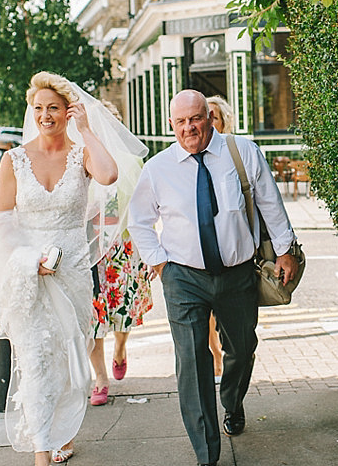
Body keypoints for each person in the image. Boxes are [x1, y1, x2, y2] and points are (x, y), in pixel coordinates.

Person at [128, 89, 299, 466]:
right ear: (171, 125)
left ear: (210, 116)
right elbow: (138, 221)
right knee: (192, 361)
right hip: (184, 278)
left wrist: (285, 250)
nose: (190, 128)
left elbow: (271, 201)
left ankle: (232, 401)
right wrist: (160, 265)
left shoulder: (242, 152)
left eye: (196, 118)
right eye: (181, 122)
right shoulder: (158, 168)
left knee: (241, 349)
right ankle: (208, 452)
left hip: (238, 274)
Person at [0, 72, 147, 466]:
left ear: (67, 110)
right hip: (28, 274)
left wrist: (87, 129)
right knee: (37, 360)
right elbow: (3, 222)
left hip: (72, 270)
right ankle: (42, 449)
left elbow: (109, 175)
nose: (45, 115)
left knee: (70, 364)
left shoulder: (81, 154)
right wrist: (28, 261)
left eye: (53, 108)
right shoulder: (14, 160)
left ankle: (63, 432)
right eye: (38, 108)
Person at [88, 100, 152, 405]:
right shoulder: (82, 158)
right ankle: (100, 379)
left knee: (124, 313)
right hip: (92, 250)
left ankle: (121, 348)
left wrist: (149, 250)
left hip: (125, 249)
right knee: (93, 318)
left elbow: (144, 211)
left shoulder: (132, 162)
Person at [204, 95, 235, 379]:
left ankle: (230, 354)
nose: (207, 122)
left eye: (213, 117)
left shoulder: (238, 154)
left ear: (224, 123)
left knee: (236, 329)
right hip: (204, 255)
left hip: (235, 254)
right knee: (208, 316)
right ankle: (215, 356)